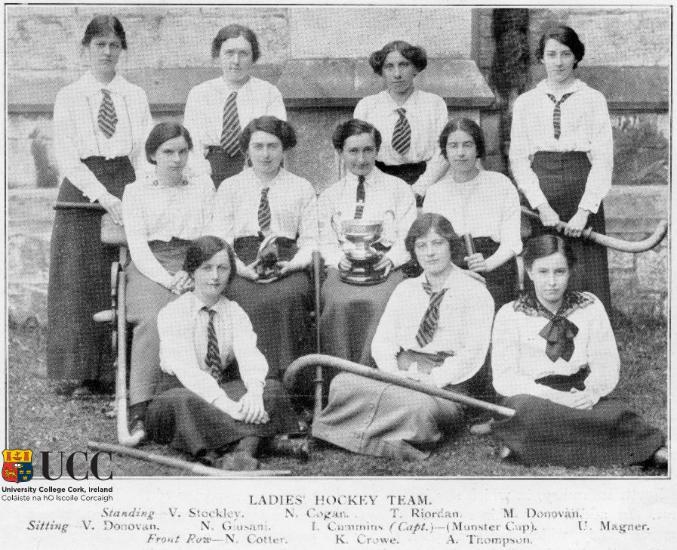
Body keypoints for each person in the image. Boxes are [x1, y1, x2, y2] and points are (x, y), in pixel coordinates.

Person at [313, 213, 494, 460]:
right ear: (413, 251)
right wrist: (394, 374)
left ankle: (348, 431)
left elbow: (472, 355)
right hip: (400, 375)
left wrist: (432, 380)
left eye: (438, 243)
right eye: (421, 245)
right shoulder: (405, 289)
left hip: (445, 386)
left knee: (419, 408)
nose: (430, 252)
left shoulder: (475, 291)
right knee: (342, 383)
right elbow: (384, 341)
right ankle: (390, 434)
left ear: (452, 246)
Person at [490, 234, 667, 468]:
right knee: (529, 415)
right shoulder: (510, 314)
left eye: (559, 272)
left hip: (579, 391)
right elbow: (505, 378)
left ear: (570, 271)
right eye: (543, 272)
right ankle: (635, 448)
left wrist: (591, 393)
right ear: (530, 271)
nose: (552, 281)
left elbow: (605, 362)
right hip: (532, 396)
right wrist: (554, 397)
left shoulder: (589, 306)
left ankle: (530, 447)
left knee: (616, 413)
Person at [48, 15, 151, 396]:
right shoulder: (69, 96)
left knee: (124, 273)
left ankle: (118, 369)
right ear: (85, 49)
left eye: (113, 45)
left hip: (126, 182)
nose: (107, 52)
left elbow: (143, 151)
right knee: (81, 280)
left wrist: (136, 195)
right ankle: (80, 372)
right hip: (81, 191)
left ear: (122, 50)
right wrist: (105, 197)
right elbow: (68, 158)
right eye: (99, 45)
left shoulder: (134, 95)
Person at [146, 237, 306, 470]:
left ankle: (238, 454)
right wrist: (232, 408)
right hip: (181, 395)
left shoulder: (234, 311)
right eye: (206, 268)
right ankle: (258, 441)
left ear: (231, 273)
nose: (215, 276)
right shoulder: (174, 313)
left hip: (216, 393)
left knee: (271, 389)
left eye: (222, 268)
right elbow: (190, 374)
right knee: (183, 402)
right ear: (192, 272)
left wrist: (253, 393)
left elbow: (249, 354)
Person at [121, 122, 214, 439]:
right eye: (167, 152)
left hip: (195, 262)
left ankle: (203, 399)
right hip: (151, 265)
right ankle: (140, 410)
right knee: (154, 317)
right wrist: (167, 279)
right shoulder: (135, 192)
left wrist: (192, 270)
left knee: (205, 310)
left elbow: (209, 234)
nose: (176, 159)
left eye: (182, 151)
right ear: (152, 155)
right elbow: (137, 247)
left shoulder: (203, 186)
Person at [510, 25, 612, 312]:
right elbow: (519, 159)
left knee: (584, 266)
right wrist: (540, 205)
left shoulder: (593, 99)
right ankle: (542, 330)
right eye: (551, 54)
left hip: (582, 184)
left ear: (576, 57)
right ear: (541, 58)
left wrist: (584, 211)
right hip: (542, 186)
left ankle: (589, 332)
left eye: (565, 54)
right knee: (546, 261)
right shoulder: (526, 102)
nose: (558, 62)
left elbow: (604, 159)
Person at [210, 116, 317, 379]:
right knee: (241, 297)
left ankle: (290, 382)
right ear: (246, 149)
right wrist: (240, 268)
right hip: (241, 259)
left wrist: (294, 264)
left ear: (285, 149)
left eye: (273, 146)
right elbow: (220, 239)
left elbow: (312, 239)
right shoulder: (230, 187)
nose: (266, 154)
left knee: (289, 297)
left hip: (287, 261)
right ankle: (247, 379)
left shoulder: (301, 187)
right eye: (258, 146)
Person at [317, 119, 416, 365]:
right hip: (343, 269)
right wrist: (340, 261)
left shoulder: (398, 189)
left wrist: (391, 259)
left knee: (382, 301)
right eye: (353, 151)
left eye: (367, 150)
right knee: (337, 302)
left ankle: (375, 374)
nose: (361, 159)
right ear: (340, 153)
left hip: (386, 268)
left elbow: (408, 235)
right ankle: (340, 373)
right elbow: (324, 239)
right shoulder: (330, 196)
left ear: (377, 151)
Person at [424, 118, 521, 309]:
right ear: (445, 151)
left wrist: (488, 264)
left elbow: (512, 241)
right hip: (450, 268)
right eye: (453, 146)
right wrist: (453, 271)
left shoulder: (500, 184)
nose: (460, 153)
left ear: (478, 148)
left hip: (496, 267)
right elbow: (431, 245)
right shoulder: (436, 192)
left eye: (467, 145)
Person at [183, 24, 286, 189]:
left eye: (243, 54)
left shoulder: (268, 93)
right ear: (218, 55)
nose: (236, 61)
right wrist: (203, 177)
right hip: (210, 169)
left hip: (255, 166)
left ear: (253, 57)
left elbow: (275, 141)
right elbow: (192, 143)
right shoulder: (200, 93)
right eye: (229, 53)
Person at [354, 40, 449, 205]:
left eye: (404, 65)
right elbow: (359, 152)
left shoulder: (434, 104)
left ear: (415, 68)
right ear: (381, 72)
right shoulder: (367, 107)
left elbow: (442, 153)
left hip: (426, 182)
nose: (397, 74)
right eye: (389, 67)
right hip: (380, 183)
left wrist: (420, 189)